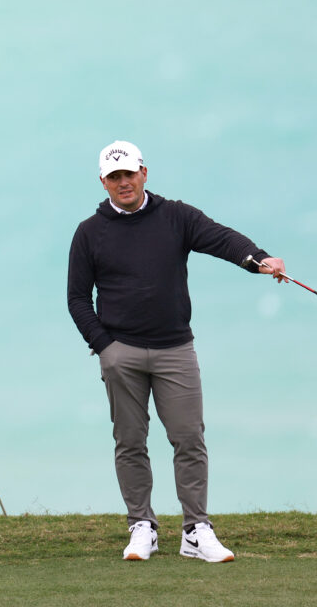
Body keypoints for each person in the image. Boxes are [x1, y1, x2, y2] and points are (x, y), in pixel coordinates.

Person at [66, 140, 286, 563]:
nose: (123, 182)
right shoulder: (90, 232)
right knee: (129, 441)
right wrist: (105, 347)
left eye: (129, 173)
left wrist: (257, 259)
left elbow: (220, 238)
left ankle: (195, 529)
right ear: (103, 182)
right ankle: (141, 526)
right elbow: (77, 298)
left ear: (144, 172)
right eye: (114, 177)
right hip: (120, 353)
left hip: (175, 349)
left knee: (189, 439)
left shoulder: (175, 217)